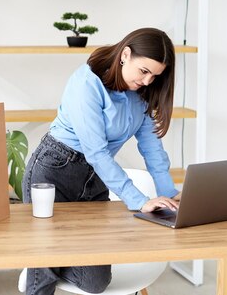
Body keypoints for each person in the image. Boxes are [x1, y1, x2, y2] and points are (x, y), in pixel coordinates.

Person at [21, 27, 181, 295]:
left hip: (94, 181)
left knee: (95, 282)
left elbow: (153, 150)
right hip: (53, 173)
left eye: (155, 76)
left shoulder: (140, 95)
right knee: (44, 276)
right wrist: (140, 201)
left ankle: (46, 254)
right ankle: (42, 260)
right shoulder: (86, 83)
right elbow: (96, 152)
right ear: (125, 55)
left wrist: (170, 194)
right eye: (144, 71)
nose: (148, 81)